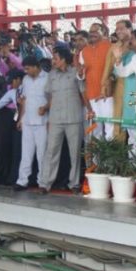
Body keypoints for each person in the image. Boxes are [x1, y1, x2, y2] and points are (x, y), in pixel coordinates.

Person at [39, 46, 91, 193]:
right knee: (51, 151)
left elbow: (84, 93)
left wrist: (90, 110)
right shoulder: (52, 75)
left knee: (74, 153)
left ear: (63, 59)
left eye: (55, 58)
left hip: (74, 118)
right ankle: (45, 183)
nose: (53, 61)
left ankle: (74, 184)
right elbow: (49, 94)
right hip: (55, 118)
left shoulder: (75, 72)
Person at [14, 57, 49, 190]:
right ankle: (22, 181)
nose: (26, 71)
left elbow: (53, 99)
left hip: (42, 122)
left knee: (42, 154)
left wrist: (45, 108)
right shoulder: (26, 79)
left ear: (36, 66)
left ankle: (43, 182)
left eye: (28, 68)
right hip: (27, 120)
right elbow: (24, 100)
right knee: (26, 153)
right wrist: (20, 119)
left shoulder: (47, 78)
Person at [101, 19, 133, 140]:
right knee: (117, 122)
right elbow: (108, 69)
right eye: (117, 29)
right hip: (119, 86)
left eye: (121, 28)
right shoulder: (114, 48)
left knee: (134, 123)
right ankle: (119, 155)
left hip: (135, 87)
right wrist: (105, 84)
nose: (118, 31)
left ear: (130, 29)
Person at [79, 23, 112, 139]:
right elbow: (82, 75)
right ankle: (97, 157)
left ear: (103, 32)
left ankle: (110, 157)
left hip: (107, 94)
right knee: (96, 128)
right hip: (92, 94)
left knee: (110, 127)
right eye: (91, 31)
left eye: (96, 31)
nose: (92, 34)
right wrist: (80, 74)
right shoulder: (84, 51)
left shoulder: (109, 46)